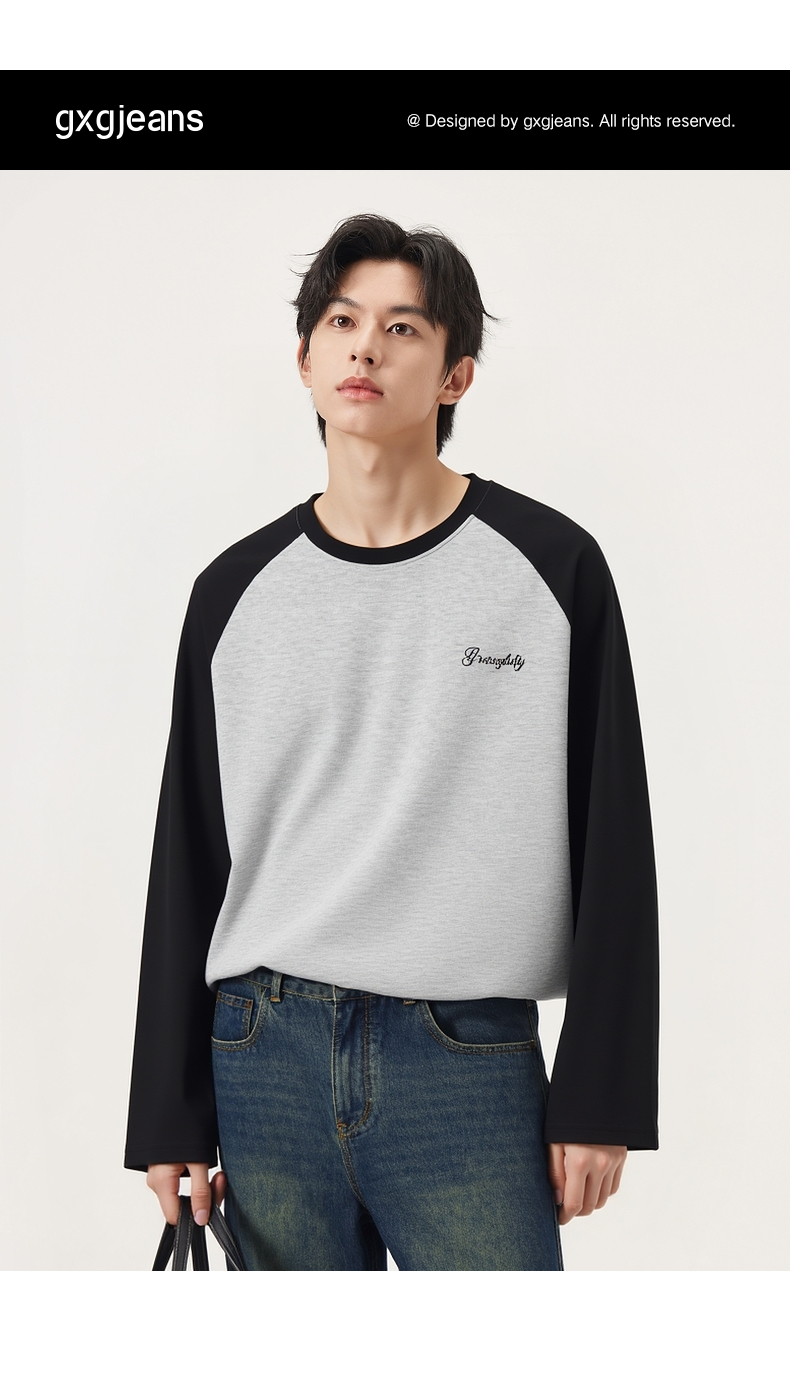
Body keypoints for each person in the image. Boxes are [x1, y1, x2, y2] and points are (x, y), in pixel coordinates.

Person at [124, 213, 659, 1270]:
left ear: (456, 375)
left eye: (403, 327)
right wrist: (167, 1109)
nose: (365, 347)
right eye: (341, 321)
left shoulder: (551, 568)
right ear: (305, 358)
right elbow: (188, 852)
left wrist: (601, 1091)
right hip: (262, 1053)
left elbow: (615, 837)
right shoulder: (234, 592)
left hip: (464, 1060)